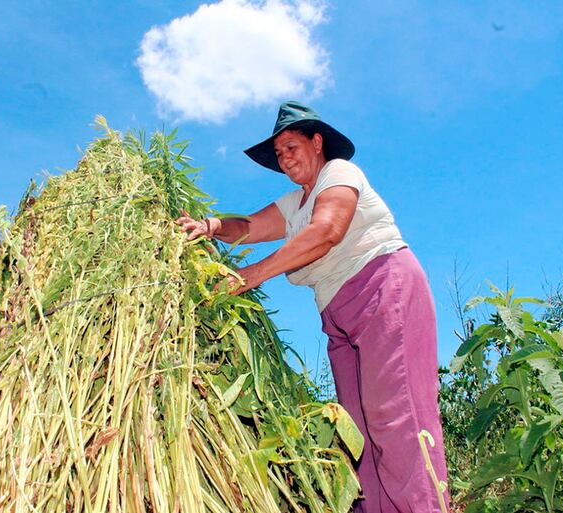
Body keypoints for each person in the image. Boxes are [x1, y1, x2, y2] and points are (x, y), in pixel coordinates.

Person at [175, 101, 450, 513]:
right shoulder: (294, 205)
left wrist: (251, 276)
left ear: (317, 142)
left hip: (383, 290)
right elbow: (249, 226)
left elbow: (327, 232)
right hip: (339, 318)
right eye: (279, 154)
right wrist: (211, 227)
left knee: (397, 420)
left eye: (291, 146)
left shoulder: (339, 174)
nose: (285, 158)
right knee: (356, 434)